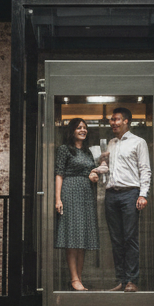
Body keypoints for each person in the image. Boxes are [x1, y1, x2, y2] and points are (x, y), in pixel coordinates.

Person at [103, 106, 150, 292]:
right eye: (111, 120)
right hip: (111, 194)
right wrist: (99, 168)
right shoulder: (111, 143)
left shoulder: (139, 142)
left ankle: (132, 280)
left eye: (116, 119)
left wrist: (143, 194)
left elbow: (145, 169)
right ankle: (122, 280)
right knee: (116, 239)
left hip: (130, 193)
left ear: (126, 121)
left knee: (130, 238)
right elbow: (107, 169)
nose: (112, 123)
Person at [53, 118, 101, 291]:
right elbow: (59, 174)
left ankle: (78, 278)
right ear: (72, 130)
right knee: (72, 237)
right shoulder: (64, 150)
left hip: (87, 194)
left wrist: (94, 176)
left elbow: (91, 172)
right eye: (79, 127)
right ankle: (74, 279)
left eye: (85, 128)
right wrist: (58, 199)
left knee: (83, 238)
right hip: (70, 192)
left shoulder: (88, 152)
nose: (83, 130)